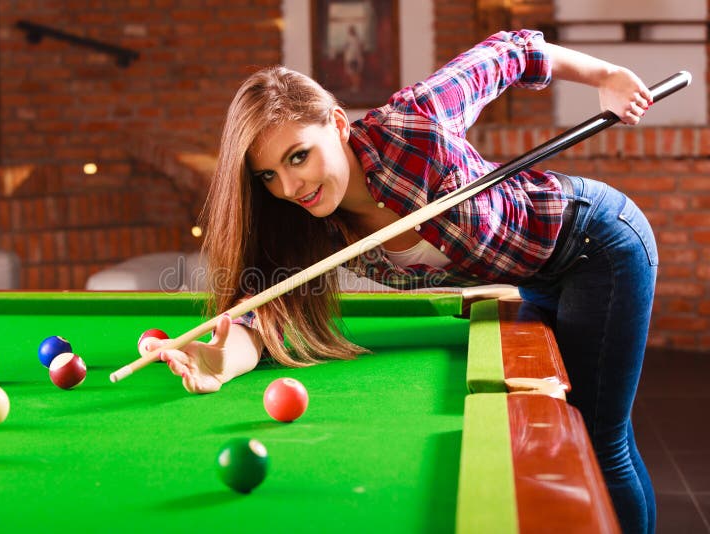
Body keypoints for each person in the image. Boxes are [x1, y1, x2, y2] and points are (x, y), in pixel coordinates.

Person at [149, 30, 656, 533]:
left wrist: (607, 76)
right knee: (595, 438)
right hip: (537, 273)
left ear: (336, 123)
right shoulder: (309, 224)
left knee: (597, 438)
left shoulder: (412, 121)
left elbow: (513, 51)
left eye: (298, 156)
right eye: (268, 176)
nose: (289, 186)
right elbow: (262, 312)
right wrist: (222, 361)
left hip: (595, 242)